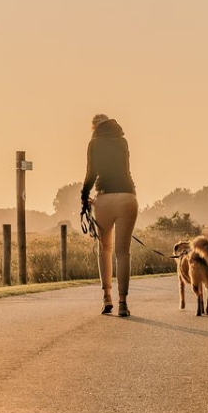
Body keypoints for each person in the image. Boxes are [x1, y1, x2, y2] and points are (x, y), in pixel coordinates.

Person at [81, 114, 138, 317]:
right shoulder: (123, 141)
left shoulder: (94, 143)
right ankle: (123, 302)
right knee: (123, 252)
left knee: (105, 249)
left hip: (104, 198)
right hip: (127, 197)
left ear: (94, 128)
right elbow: (126, 171)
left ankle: (107, 297)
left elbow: (91, 173)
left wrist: (84, 197)